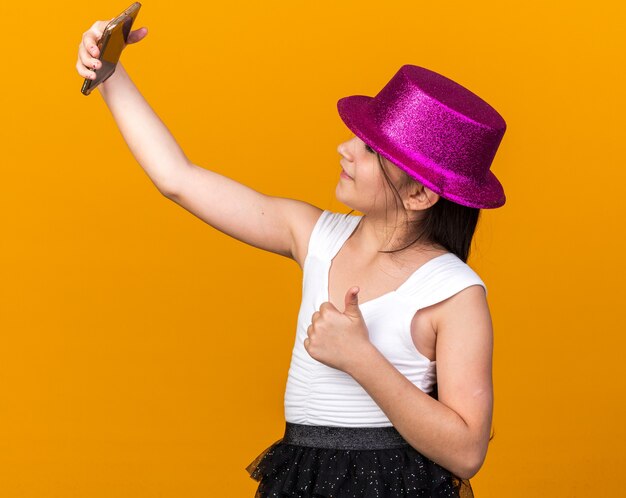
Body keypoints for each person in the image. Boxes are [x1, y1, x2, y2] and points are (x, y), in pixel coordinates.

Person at [76, 18, 506, 498]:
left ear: (420, 194)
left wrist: (361, 358)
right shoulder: (311, 234)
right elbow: (177, 178)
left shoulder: (453, 293)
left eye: (369, 148)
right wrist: (110, 72)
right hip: (302, 477)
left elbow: (467, 452)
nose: (344, 148)